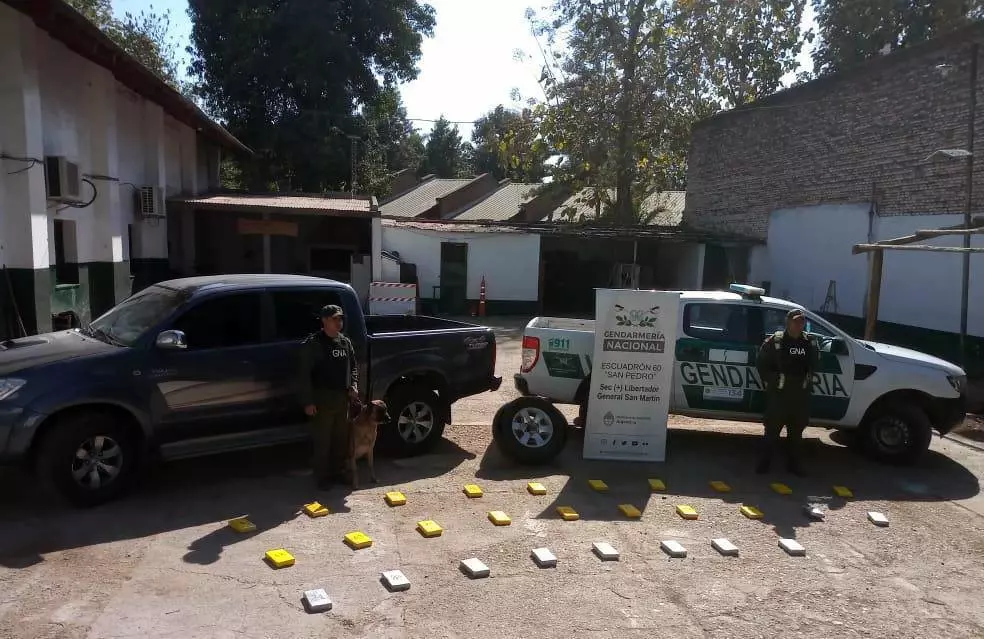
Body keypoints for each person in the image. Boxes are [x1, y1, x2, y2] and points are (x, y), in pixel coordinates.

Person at [297, 304, 359, 489]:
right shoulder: (314, 343)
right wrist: (308, 401)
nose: (338, 322)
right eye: (334, 318)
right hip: (322, 398)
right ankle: (322, 477)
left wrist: (353, 385)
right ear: (324, 320)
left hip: (342, 398)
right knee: (323, 440)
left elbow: (353, 367)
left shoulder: (344, 342)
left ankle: (337, 472)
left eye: (340, 318)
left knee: (340, 439)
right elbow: (303, 374)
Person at [755, 308, 818, 476]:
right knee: (771, 432)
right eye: (795, 321)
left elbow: (816, 365)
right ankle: (764, 464)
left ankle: (794, 466)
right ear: (788, 322)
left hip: (800, 396)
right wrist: (774, 380)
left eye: (802, 321)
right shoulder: (775, 342)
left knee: (796, 434)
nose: (799, 324)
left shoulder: (809, 343)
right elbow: (761, 364)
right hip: (779, 395)